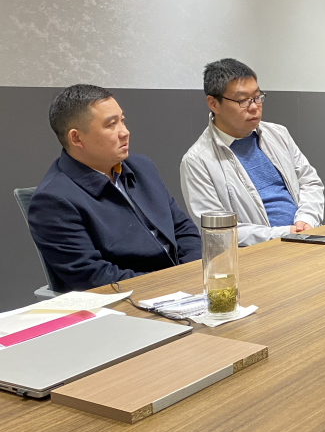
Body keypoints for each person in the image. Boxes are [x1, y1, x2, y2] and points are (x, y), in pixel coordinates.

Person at [28, 84, 201, 292]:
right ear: (76, 138)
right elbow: (94, 278)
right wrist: (171, 284)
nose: (125, 132)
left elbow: (182, 228)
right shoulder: (53, 200)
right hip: (131, 300)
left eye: (122, 120)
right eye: (111, 124)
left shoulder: (141, 166)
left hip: (184, 285)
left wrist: (192, 272)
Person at [180, 58, 324, 246]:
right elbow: (217, 230)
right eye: (242, 100)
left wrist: (306, 220)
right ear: (214, 104)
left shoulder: (278, 134)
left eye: (257, 97)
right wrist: (285, 233)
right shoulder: (197, 161)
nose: (254, 107)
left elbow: (309, 181)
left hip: (305, 238)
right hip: (257, 254)